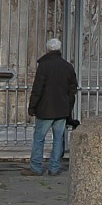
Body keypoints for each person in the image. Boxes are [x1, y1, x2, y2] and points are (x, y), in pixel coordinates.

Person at [27, 37, 77, 176]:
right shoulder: (67, 66)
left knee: (39, 139)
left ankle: (36, 167)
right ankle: (54, 168)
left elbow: (38, 89)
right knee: (58, 140)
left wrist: (32, 107)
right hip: (62, 109)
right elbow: (73, 89)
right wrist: (69, 107)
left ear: (48, 49)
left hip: (45, 109)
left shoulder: (44, 65)